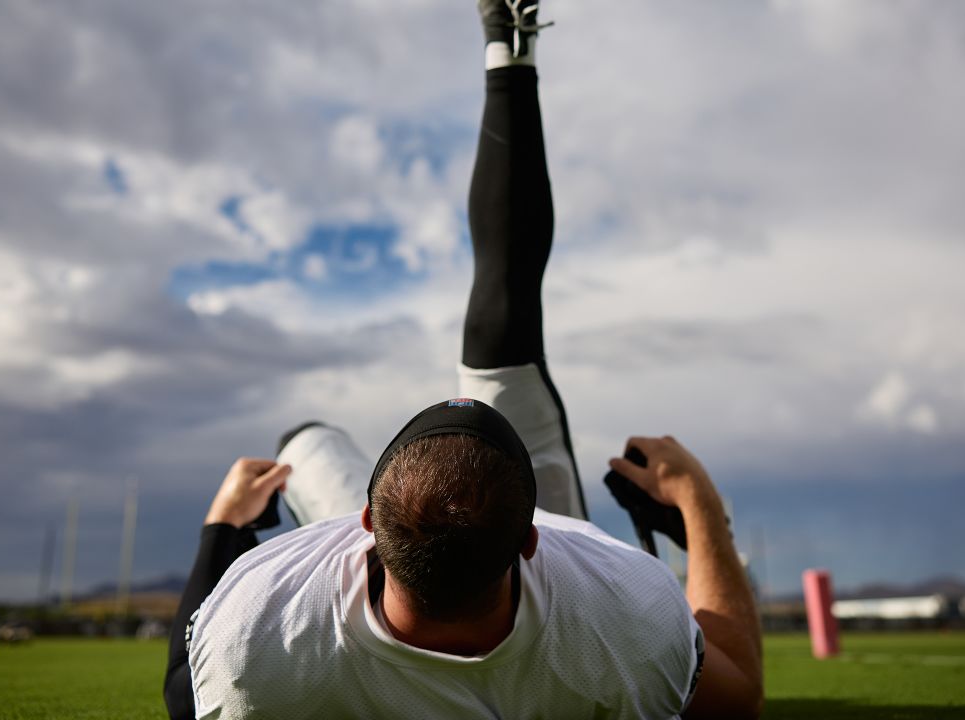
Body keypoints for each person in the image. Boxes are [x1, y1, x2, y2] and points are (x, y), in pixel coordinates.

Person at [164, 1, 763, 717]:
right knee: (503, 340)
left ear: (363, 525)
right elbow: (739, 696)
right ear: (537, 537)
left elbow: (184, 690)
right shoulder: (625, 617)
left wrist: (221, 529)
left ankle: (508, 53)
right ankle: (512, 47)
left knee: (302, 440)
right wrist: (699, 503)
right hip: (554, 607)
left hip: (362, 600)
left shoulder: (264, 636)